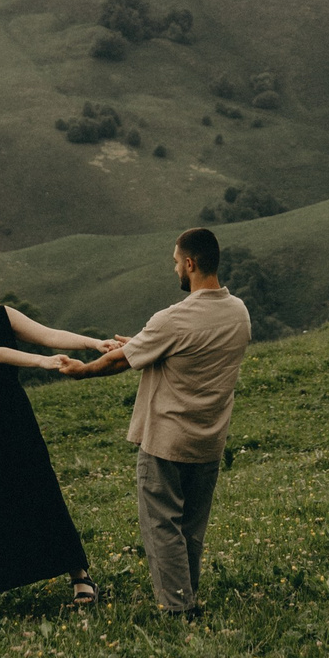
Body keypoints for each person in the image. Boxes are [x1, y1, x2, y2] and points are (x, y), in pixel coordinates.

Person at [58, 226, 252, 620]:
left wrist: (82, 370)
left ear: (190, 264)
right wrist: (146, 341)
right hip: (209, 440)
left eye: (177, 263)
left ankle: (178, 609)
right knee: (191, 529)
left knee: (162, 526)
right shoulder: (239, 313)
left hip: (167, 439)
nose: (175, 269)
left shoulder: (173, 319)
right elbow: (188, 347)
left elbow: (119, 361)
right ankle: (187, 598)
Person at [0, 244, 118, 623]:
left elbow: (47, 334)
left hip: (15, 415)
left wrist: (93, 343)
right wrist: (39, 362)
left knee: (40, 486)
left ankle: (79, 574)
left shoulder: (3, 315)